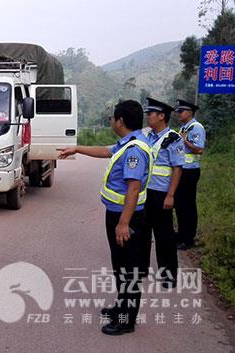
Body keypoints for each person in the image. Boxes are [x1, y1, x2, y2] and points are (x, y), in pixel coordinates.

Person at [59, 100, 151, 336]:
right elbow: (106, 150)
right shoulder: (129, 143)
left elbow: (133, 188)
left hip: (125, 217)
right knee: (121, 267)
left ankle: (126, 320)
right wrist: (77, 148)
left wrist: (124, 223)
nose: (111, 121)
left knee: (128, 270)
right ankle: (121, 308)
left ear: (120, 121)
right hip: (119, 215)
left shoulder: (134, 150)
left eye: (112, 118)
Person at [143, 98, 184, 288]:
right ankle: (141, 269)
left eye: (151, 113)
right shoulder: (148, 136)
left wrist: (171, 195)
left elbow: (177, 168)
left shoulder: (174, 139)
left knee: (164, 235)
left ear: (161, 116)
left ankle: (168, 275)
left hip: (161, 193)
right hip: (145, 192)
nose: (148, 116)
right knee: (142, 232)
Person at [173, 99, 205, 250]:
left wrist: (185, 142)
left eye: (181, 111)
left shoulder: (196, 127)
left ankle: (189, 238)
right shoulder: (184, 128)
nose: (179, 113)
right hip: (182, 170)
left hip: (190, 171)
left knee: (188, 205)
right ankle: (181, 235)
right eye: (178, 111)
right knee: (180, 204)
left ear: (190, 112)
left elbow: (199, 149)